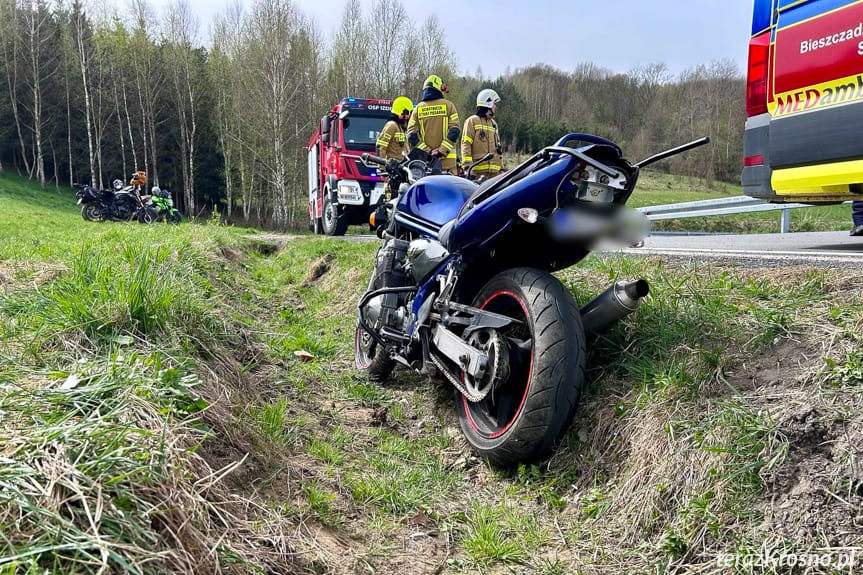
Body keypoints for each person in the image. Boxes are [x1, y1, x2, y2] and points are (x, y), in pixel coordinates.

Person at [407, 74, 460, 173]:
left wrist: (428, 152)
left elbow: (411, 136)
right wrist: (441, 151)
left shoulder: (418, 109)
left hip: (425, 165)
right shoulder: (449, 106)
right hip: (447, 164)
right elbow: (455, 131)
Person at [461, 88, 503, 179]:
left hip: (494, 175)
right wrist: (467, 167)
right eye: (494, 104)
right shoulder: (472, 121)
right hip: (476, 174)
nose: (495, 106)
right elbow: (466, 144)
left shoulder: (494, 124)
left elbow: (498, 149)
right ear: (488, 103)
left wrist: (501, 168)